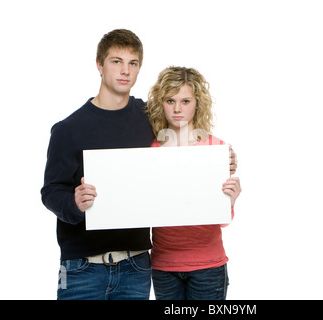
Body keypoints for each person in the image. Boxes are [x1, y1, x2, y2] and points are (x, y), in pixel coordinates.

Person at [41, 29, 237, 300]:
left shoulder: (149, 120)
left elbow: (187, 139)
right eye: (116, 61)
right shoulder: (68, 129)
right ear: (99, 65)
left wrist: (223, 158)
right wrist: (74, 203)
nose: (125, 71)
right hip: (80, 267)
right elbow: (50, 191)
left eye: (132, 63)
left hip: (137, 266)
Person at [146, 66, 242, 300]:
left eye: (186, 101)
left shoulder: (216, 149)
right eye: (170, 100)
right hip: (163, 265)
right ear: (161, 103)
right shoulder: (150, 150)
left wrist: (231, 199)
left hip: (208, 265)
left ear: (198, 103)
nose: (178, 109)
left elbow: (222, 222)